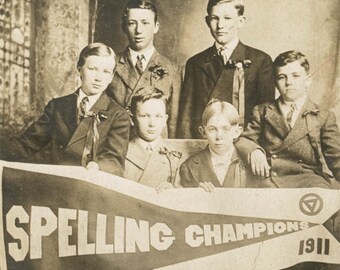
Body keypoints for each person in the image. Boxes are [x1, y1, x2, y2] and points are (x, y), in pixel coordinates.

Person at [0, 43, 130, 176]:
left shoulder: (118, 115)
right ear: (79, 69)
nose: (98, 78)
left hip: (89, 184)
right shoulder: (57, 106)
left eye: (106, 71)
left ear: (111, 76)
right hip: (56, 182)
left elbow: (115, 161)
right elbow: (27, 144)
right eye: (92, 69)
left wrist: (96, 166)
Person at [235, 50, 340, 188]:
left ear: (308, 80)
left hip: (310, 181)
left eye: (295, 76)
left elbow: (336, 157)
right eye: (282, 77)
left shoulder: (323, 116)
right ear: (275, 83)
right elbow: (244, 139)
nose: (289, 82)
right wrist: (254, 151)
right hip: (270, 179)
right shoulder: (262, 111)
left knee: (324, 203)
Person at [177, 0, 275, 139]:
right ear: (207, 21)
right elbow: (185, 119)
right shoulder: (195, 63)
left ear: (240, 21)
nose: (220, 25)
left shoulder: (261, 61)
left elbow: (265, 115)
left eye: (227, 18)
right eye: (214, 18)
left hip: (243, 143)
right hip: (202, 143)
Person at [108, 0, 181, 138]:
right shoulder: (111, 64)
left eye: (145, 23)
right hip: (117, 143)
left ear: (156, 27)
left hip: (155, 146)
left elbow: (173, 122)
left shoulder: (172, 69)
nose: (138, 30)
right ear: (124, 27)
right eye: (132, 23)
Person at [180, 99, 246, 192]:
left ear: (236, 132)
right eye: (212, 129)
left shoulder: (250, 164)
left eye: (225, 129)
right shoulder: (188, 167)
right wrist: (196, 194)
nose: (219, 136)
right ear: (203, 132)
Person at [124, 87, 182, 191]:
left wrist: (174, 192)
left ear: (165, 120)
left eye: (158, 116)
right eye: (145, 116)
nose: (152, 123)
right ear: (132, 119)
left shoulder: (175, 157)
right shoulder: (122, 152)